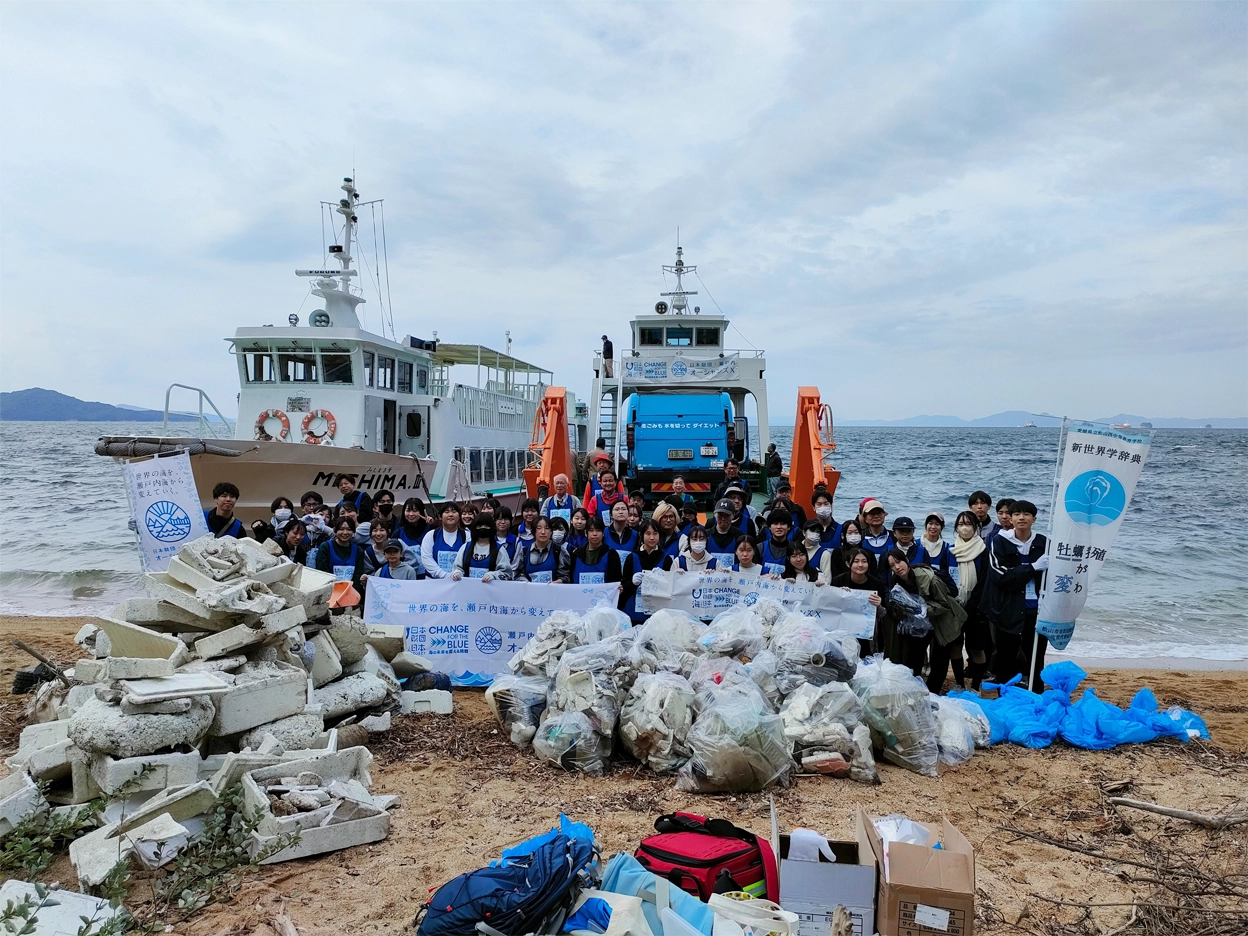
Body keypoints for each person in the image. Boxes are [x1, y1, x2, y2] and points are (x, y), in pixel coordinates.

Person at [985, 500, 1048, 688]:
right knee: (1005, 657)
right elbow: (1000, 576)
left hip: (1036, 611)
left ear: (1034, 519)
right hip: (1008, 610)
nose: (1022, 517)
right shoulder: (1000, 541)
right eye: (1017, 514)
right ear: (1010, 519)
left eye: (1027, 514)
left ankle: (1036, 694)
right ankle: (1005, 697)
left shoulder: (1044, 543)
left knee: (1036, 657)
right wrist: (1032, 568)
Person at [885, 548, 967, 692]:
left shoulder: (928, 578)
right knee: (914, 657)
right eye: (892, 565)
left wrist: (922, 609)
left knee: (939, 660)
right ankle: (914, 689)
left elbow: (944, 604)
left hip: (942, 620)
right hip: (920, 624)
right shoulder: (896, 581)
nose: (897, 567)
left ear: (907, 560)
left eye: (899, 562)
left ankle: (933, 693)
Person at [951, 510, 990, 689]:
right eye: (960, 524)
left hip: (977, 608)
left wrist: (973, 604)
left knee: (976, 648)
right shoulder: (951, 550)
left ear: (976, 527)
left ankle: (975, 685)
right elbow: (946, 576)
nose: (964, 528)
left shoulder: (984, 551)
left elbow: (985, 580)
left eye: (968, 524)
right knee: (956, 646)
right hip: (956, 607)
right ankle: (959, 684)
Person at [830, 547, 885, 657]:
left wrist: (879, 605)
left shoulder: (876, 584)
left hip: (866, 634)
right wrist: (839, 596)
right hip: (843, 632)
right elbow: (831, 608)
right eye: (856, 561)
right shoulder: (838, 581)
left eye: (864, 561)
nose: (860, 565)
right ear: (847, 564)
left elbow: (882, 614)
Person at [620, 520, 666, 622]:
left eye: (655, 533)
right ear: (641, 535)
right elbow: (623, 588)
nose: (652, 537)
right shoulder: (632, 557)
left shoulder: (666, 558)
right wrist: (632, 583)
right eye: (648, 533)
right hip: (633, 615)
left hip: (657, 616)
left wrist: (664, 578)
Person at [559, 515, 623, 585]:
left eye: (598, 530)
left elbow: (615, 581)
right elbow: (571, 579)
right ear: (586, 533)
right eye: (591, 530)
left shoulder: (611, 554)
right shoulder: (576, 554)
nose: (595, 534)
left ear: (603, 533)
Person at [314, 516, 368, 592]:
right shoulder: (325, 547)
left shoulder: (358, 551)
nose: (345, 532)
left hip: (350, 594)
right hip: (328, 593)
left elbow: (358, 576)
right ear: (335, 530)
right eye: (341, 529)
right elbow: (323, 573)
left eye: (349, 529)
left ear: (353, 531)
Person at [420, 502, 467, 579]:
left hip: (459, 582)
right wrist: (445, 576)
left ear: (459, 516)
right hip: (434, 583)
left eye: (454, 512)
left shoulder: (467, 536)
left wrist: (458, 575)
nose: (450, 515)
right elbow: (426, 558)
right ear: (440, 516)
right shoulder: (431, 535)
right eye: (447, 512)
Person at [919, 512, 960, 596]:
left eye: (937, 524)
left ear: (942, 527)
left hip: (939, 592)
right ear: (926, 525)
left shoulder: (948, 549)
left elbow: (953, 576)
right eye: (930, 523)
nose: (933, 527)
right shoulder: (916, 544)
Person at [516, 516, 560, 583]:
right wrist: (523, 580)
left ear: (551, 532)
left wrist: (557, 582)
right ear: (533, 532)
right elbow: (518, 573)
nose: (543, 532)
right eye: (539, 528)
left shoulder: (558, 551)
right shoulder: (524, 552)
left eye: (547, 528)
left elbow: (565, 576)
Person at [701, 499, 742, 568]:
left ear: (733, 515)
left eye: (727, 515)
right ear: (715, 515)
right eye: (720, 515)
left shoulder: (740, 537)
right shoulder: (705, 536)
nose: (723, 518)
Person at [859, 499, 895, 567]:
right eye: (871, 514)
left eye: (879, 513)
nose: (876, 516)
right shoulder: (860, 537)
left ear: (884, 515)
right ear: (865, 518)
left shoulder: (893, 536)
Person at [758, 509, 792, 576]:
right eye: (775, 524)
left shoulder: (793, 550)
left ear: (789, 527)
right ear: (769, 527)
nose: (779, 527)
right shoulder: (760, 548)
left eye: (783, 524)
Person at [604, 500, 639, 565]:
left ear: (628, 513)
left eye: (623, 509)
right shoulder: (604, 533)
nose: (620, 512)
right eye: (617, 509)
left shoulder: (636, 535)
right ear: (611, 515)